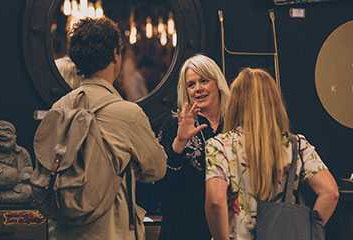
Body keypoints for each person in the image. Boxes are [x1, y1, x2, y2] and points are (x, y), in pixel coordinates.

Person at [48, 17, 167, 240]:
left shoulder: (58, 108)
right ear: (115, 54)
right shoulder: (128, 114)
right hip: (112, 231)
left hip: (63, 231)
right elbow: (157, 169)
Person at [205, 67, 339, 240]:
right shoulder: (297, 145)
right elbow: (331, 192)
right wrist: (309, 232)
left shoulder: (220, 145)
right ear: (274, 102)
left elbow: (215, 201)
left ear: (235, 103)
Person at [158, 54, 230, 240]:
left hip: (228, 222)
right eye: (191, 84)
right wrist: (179, 142)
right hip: (184, 225)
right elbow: (161, 184)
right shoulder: (174, 124)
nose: (198, 89)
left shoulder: (235, 122)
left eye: (204, 81)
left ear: (218, 83)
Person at [0, 120, 33, 203]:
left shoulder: (21, 152)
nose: (2, 134)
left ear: (15, 138)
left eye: (8, 132)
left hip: (13, 188)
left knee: (28, 192)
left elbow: (27, 168)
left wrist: (25, 175)